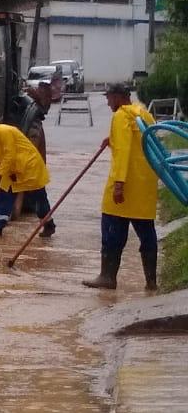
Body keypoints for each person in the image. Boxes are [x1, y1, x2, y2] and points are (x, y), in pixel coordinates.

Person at [83, 83, 158, 292]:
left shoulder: (120, 116)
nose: (108, 103)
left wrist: (118, 185)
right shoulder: (143, 113)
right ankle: (151, 281)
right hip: (144, 186)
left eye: (109, 98)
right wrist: (113, 139)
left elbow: (124, 152)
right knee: (146, 232)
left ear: (117, 97)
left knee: (111, 230)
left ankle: (107, 277)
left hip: (124, 186)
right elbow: (142, 142)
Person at [0, 111, 54, 238]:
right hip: (11, 172)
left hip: (28, 168)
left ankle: (48, 225)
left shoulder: (4, 131)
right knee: (3, 196)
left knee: (38, 199)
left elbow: (10, 155)